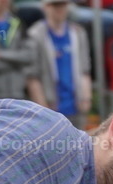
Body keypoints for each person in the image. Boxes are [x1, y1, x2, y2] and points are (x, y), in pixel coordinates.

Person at [26, 0, 91, 128]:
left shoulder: (77, 32)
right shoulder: (35, 34)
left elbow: (85, 68)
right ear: (45, 7)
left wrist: (86, 97)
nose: (59, 9)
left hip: (75, 104)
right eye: (55, 5)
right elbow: (32, 75)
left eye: (62, 5)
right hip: (51, 106)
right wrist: (42, 107)